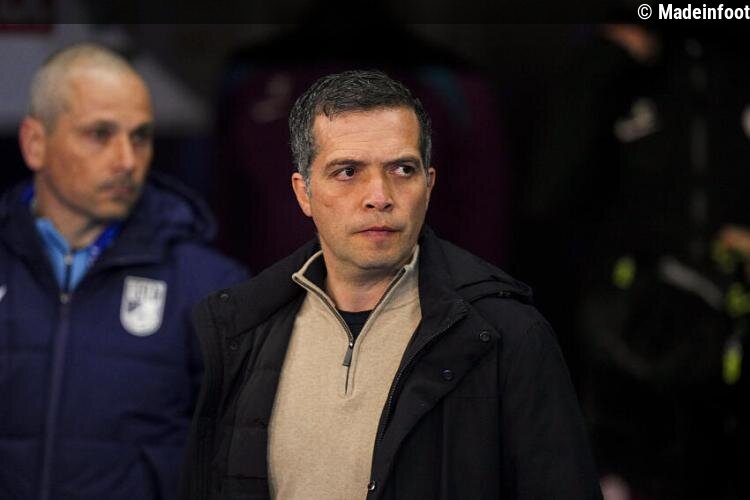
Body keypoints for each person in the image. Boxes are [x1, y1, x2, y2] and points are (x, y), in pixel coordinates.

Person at [181, 70, 601, 499]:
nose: (379, 196)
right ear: (304, 193)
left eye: (402, 169)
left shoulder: (507, 334)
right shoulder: (242, 329)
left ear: (429, 185)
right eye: (348, 171)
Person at [0, 44, 247, 500]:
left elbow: (237, 465)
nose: (127, 161)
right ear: (35, 143)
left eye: (140, 137)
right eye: (100, 134)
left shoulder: (210, 287)